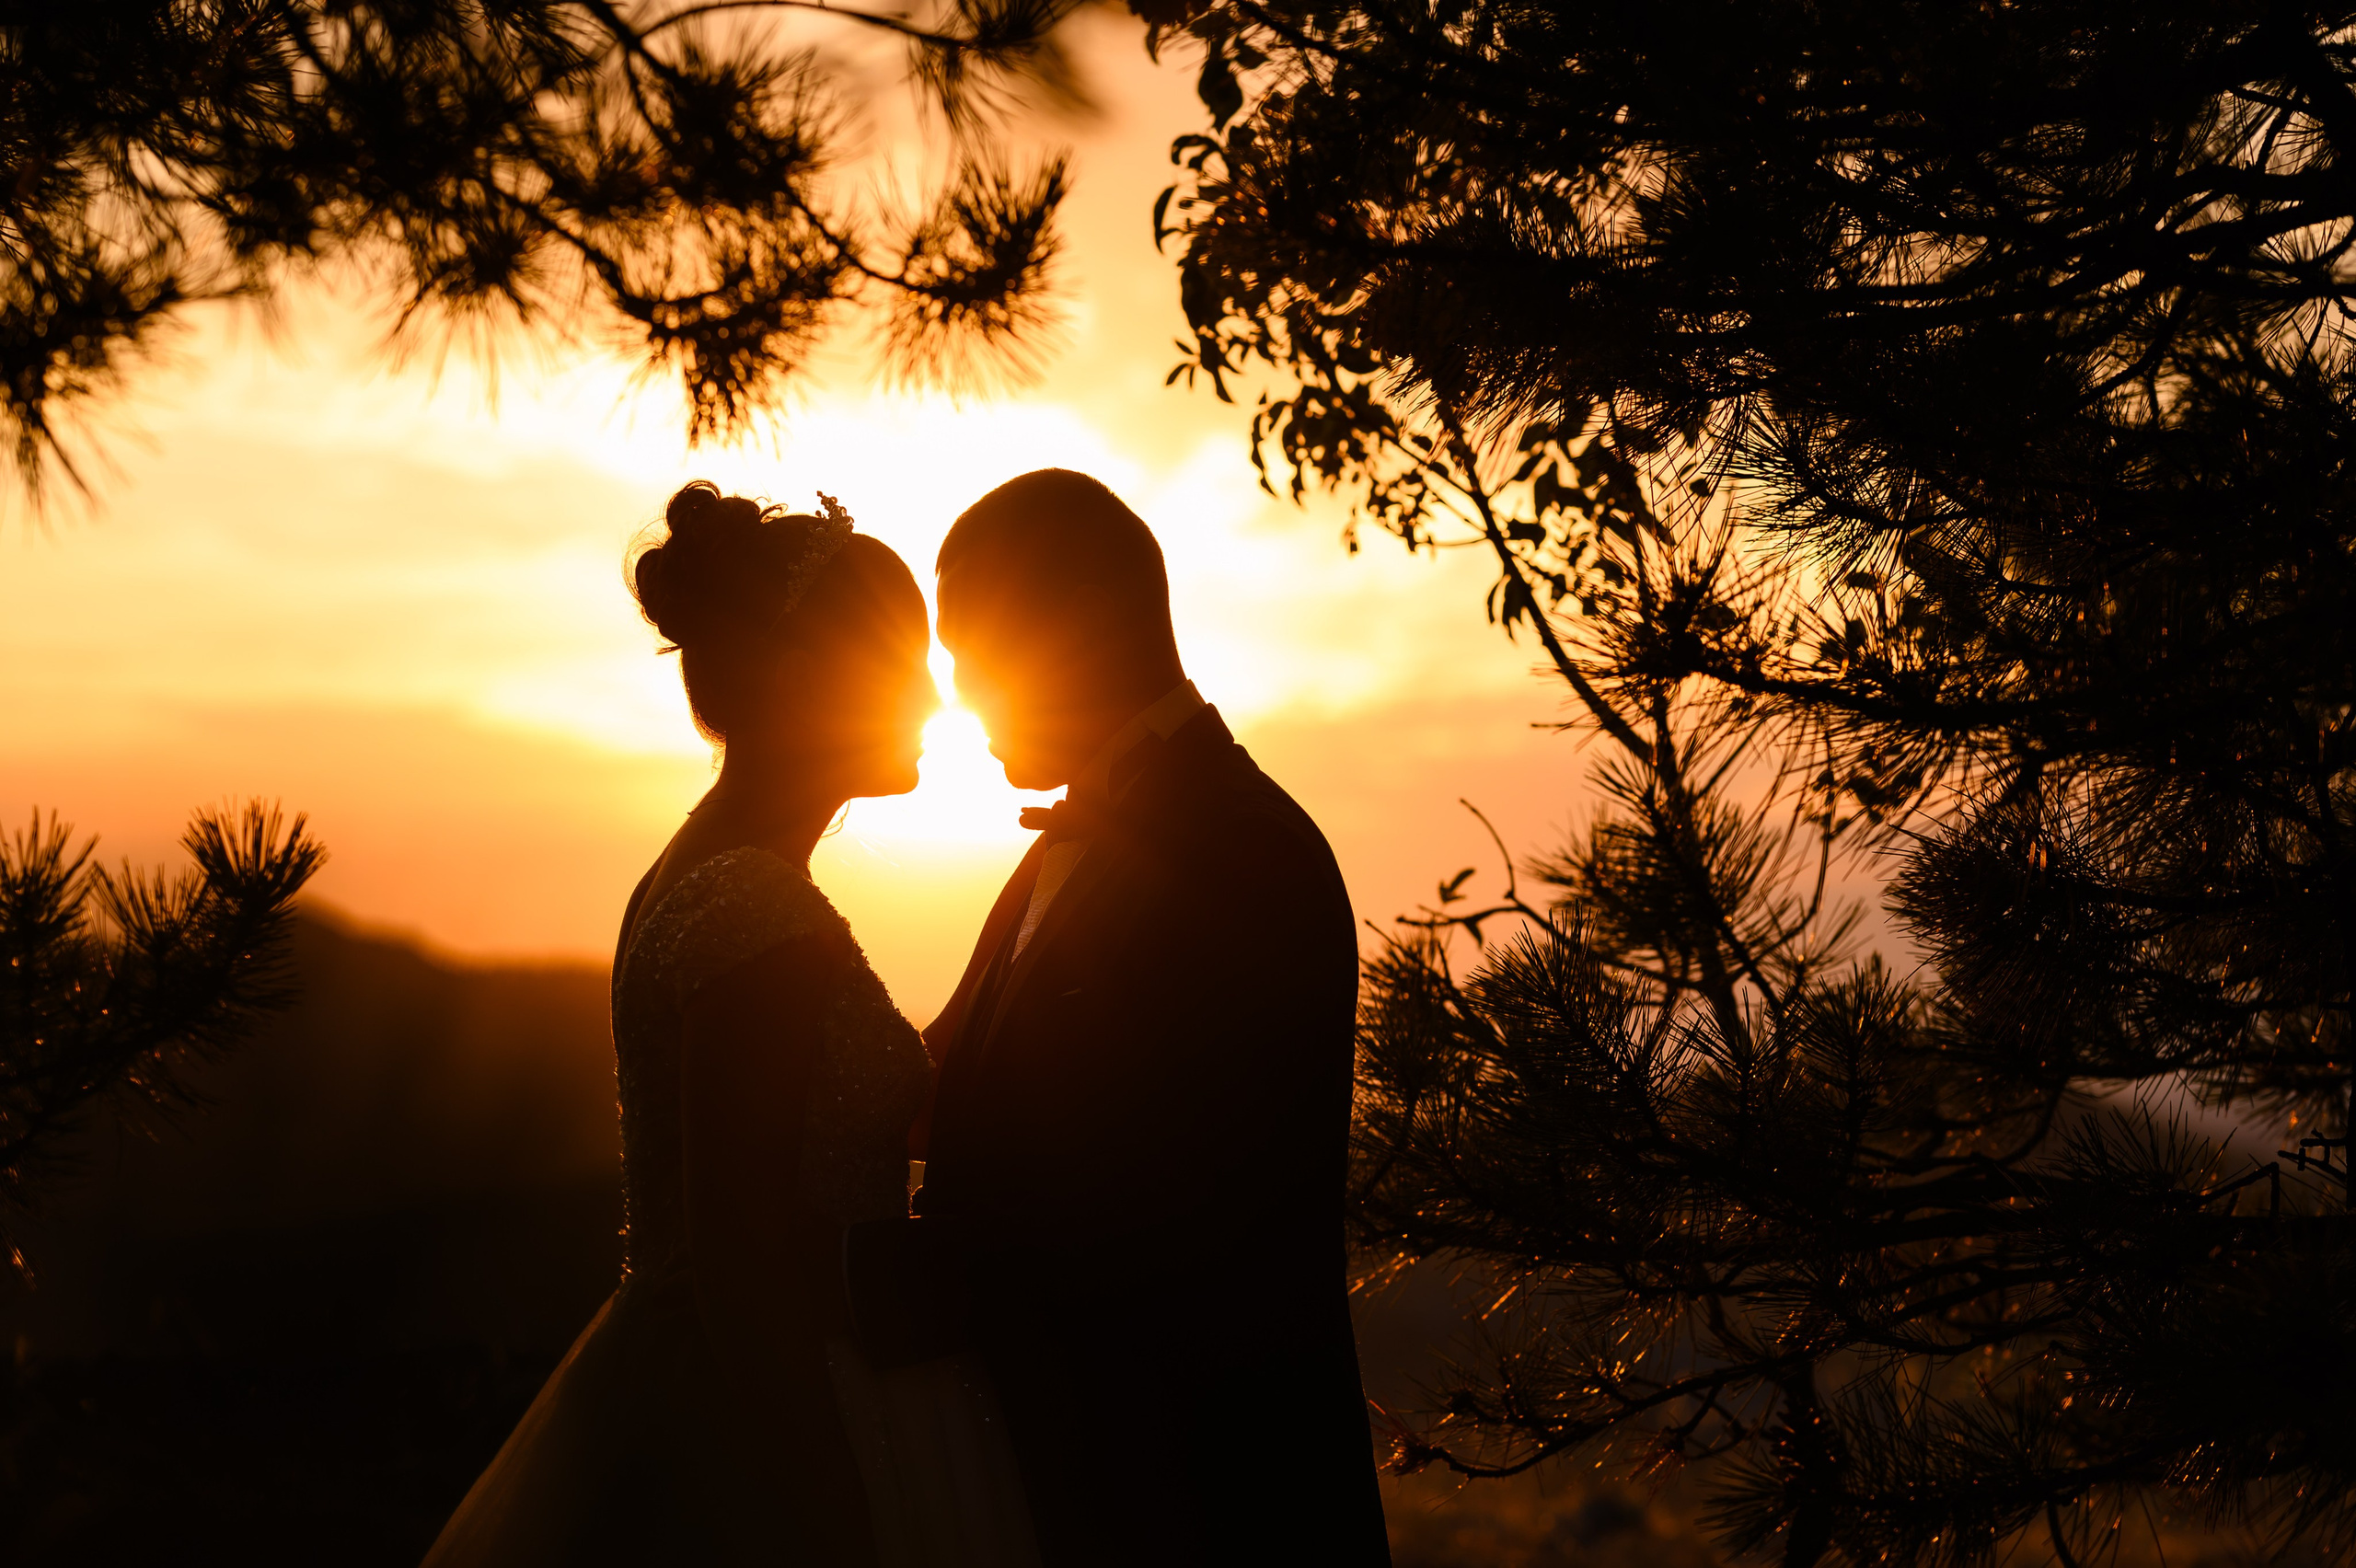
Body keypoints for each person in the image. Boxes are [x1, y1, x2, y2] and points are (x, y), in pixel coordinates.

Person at [422, 482, 1038, 1568]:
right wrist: (826, 1504)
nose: (932, 700)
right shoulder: (755, 909)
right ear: (806, 680)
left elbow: (856, 1101)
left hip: (685, 1383)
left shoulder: (692, 873)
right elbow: (742, 1259)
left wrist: (1022, 920)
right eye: (901, 663)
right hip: (773, 1417)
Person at [846, 469, 1392, 1564]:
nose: (959, 698)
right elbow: (941, 1101)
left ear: (1078, 622)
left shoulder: (1246, 852)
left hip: (1210, 1504)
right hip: (1072, 1489)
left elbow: (1156, 1223)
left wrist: (872, 1291)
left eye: (976, 652)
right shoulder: (1057, 852)